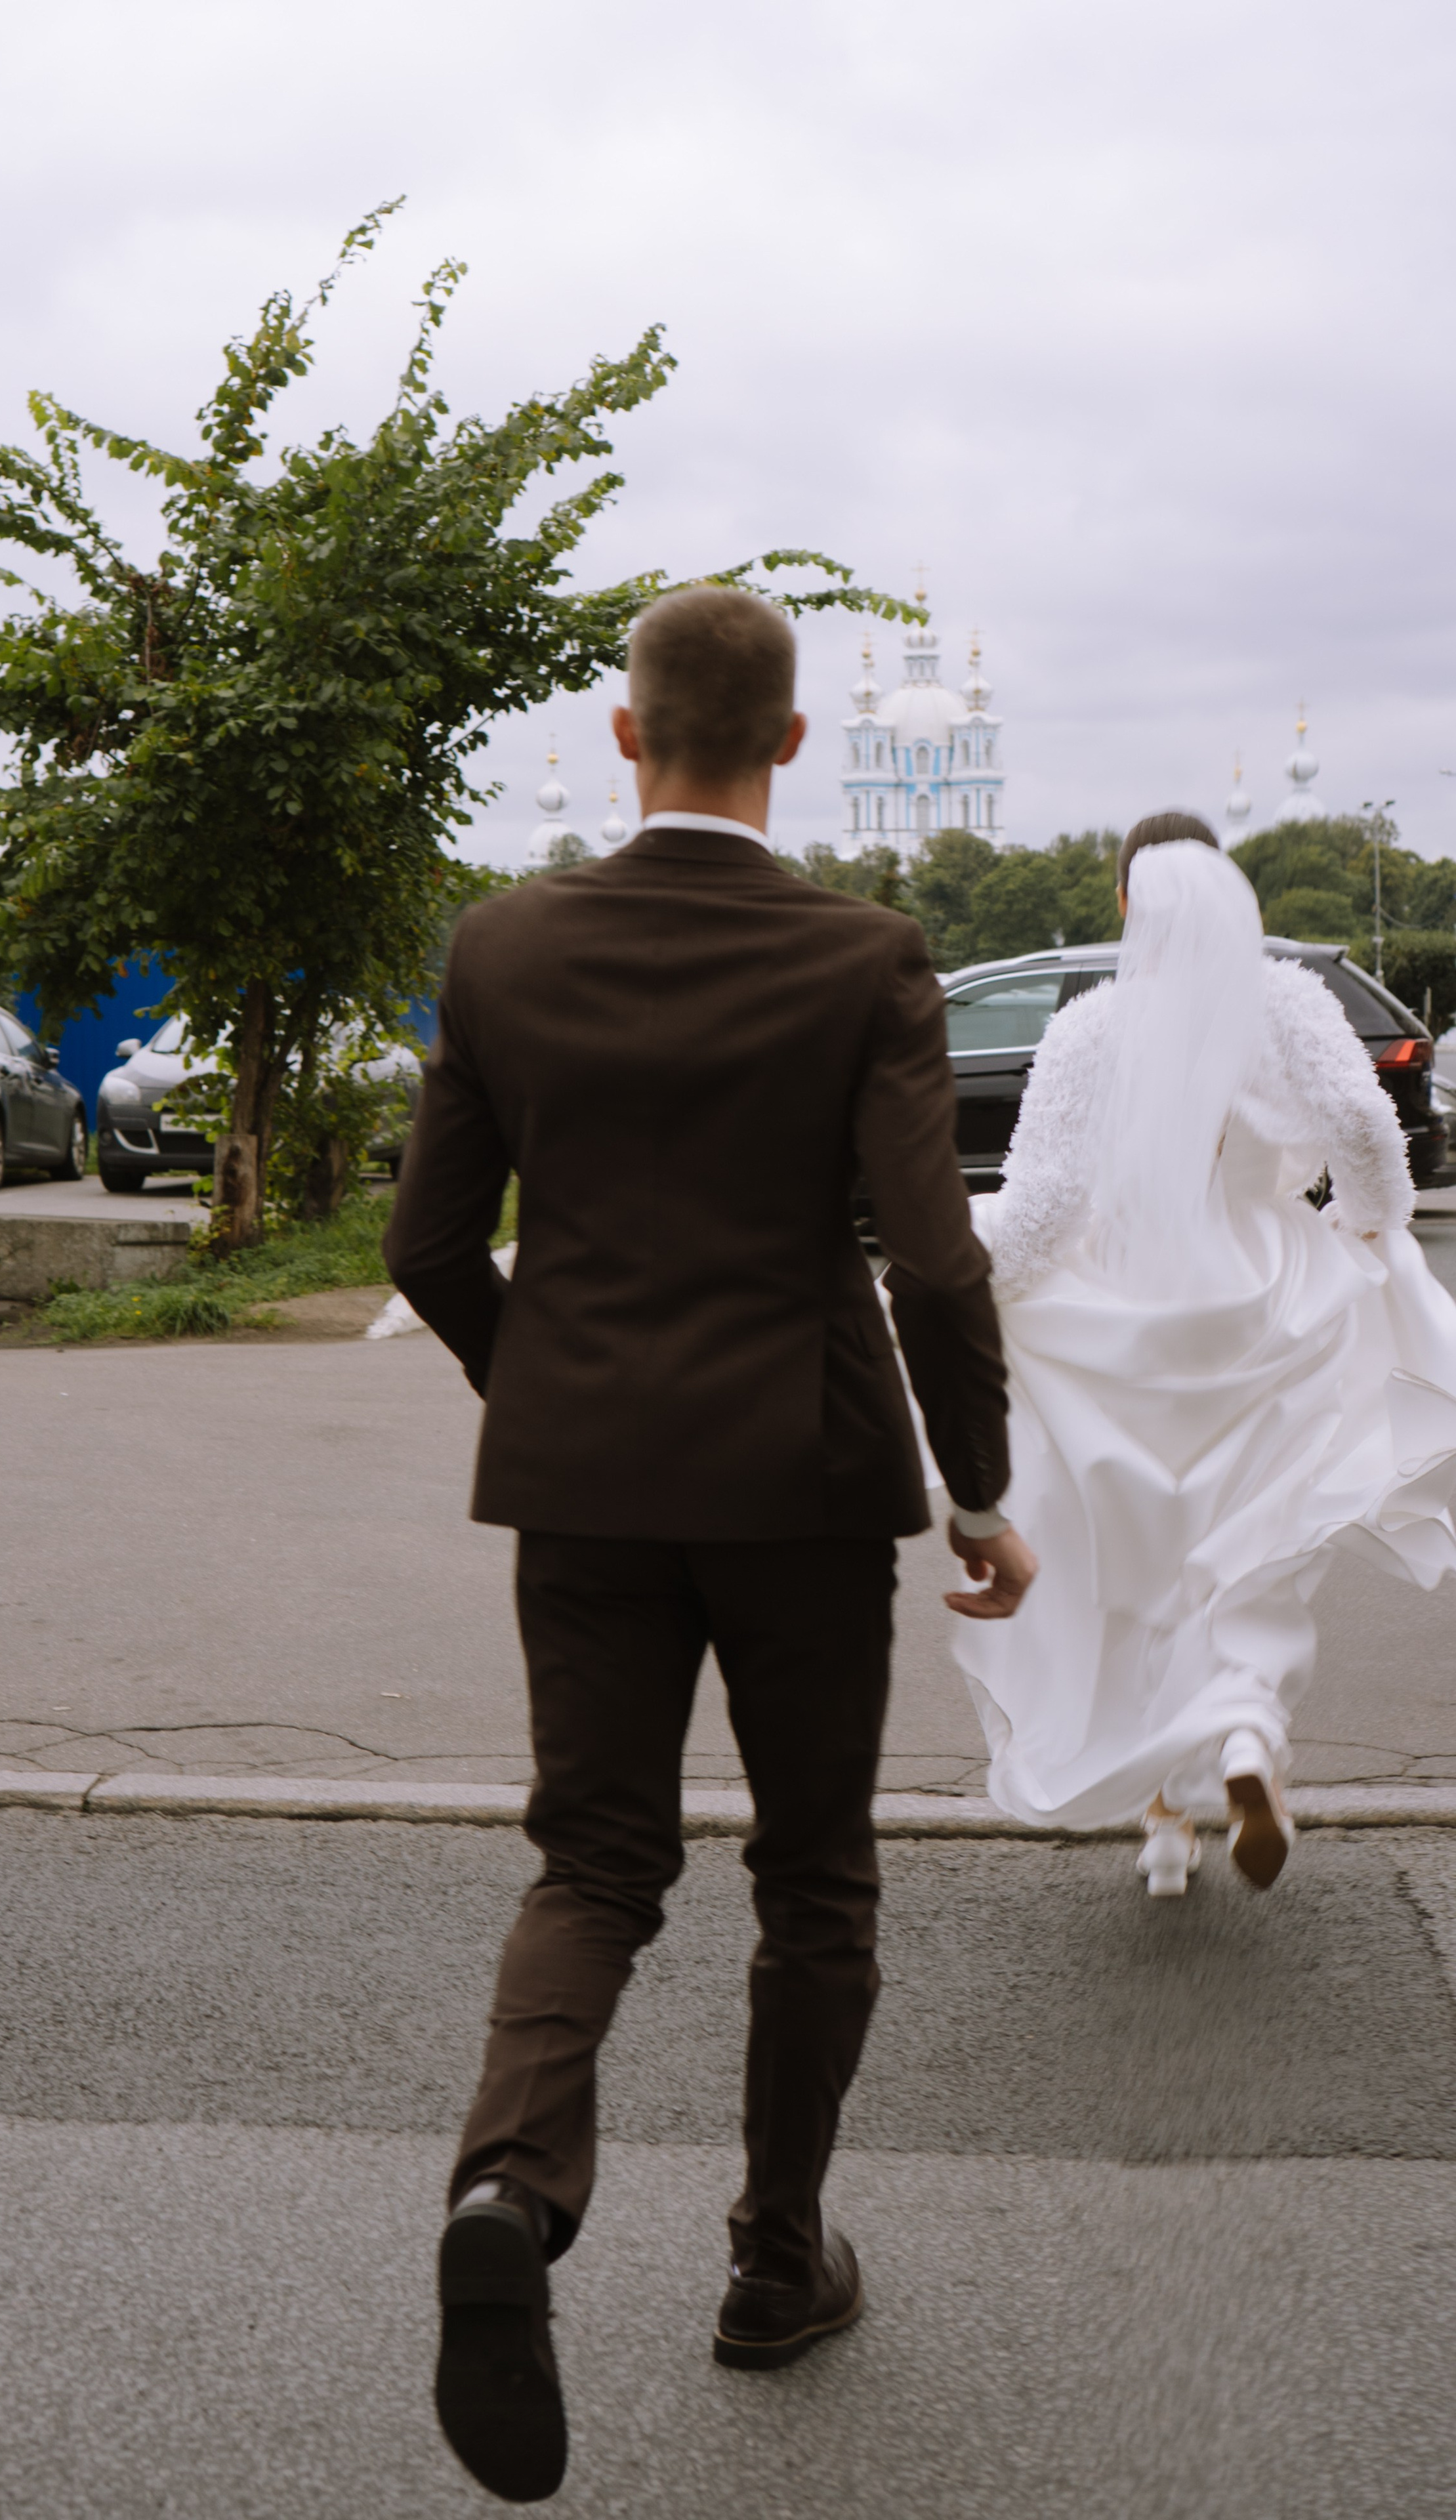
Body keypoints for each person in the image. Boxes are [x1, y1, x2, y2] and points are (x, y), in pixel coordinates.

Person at [384, 585, 1035, 2504]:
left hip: (582, 1483)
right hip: (808, 1487)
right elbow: (931, 1258)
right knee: (816, 1878)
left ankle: (511, 2183)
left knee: (595, 1858)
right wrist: (980, 1496)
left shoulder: (500, 948)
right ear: (795, 748)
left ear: (623, 733)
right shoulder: (868, 957)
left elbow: (427, 1248)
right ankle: (774, 2267)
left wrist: (556, 1396)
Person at [952, 814, 1456, 1899]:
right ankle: (1240, 1734)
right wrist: (1373, 1226)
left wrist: (963, 1272)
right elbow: (1368, 1133)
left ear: (1127, 904)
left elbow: (1041, 1206)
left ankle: (1166, 1826)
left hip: (1127, 1325)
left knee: (1139, 1571)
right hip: (1274, 1309)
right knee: (1260, 1548)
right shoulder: (1291, 1006)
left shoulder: (1093, 1027)